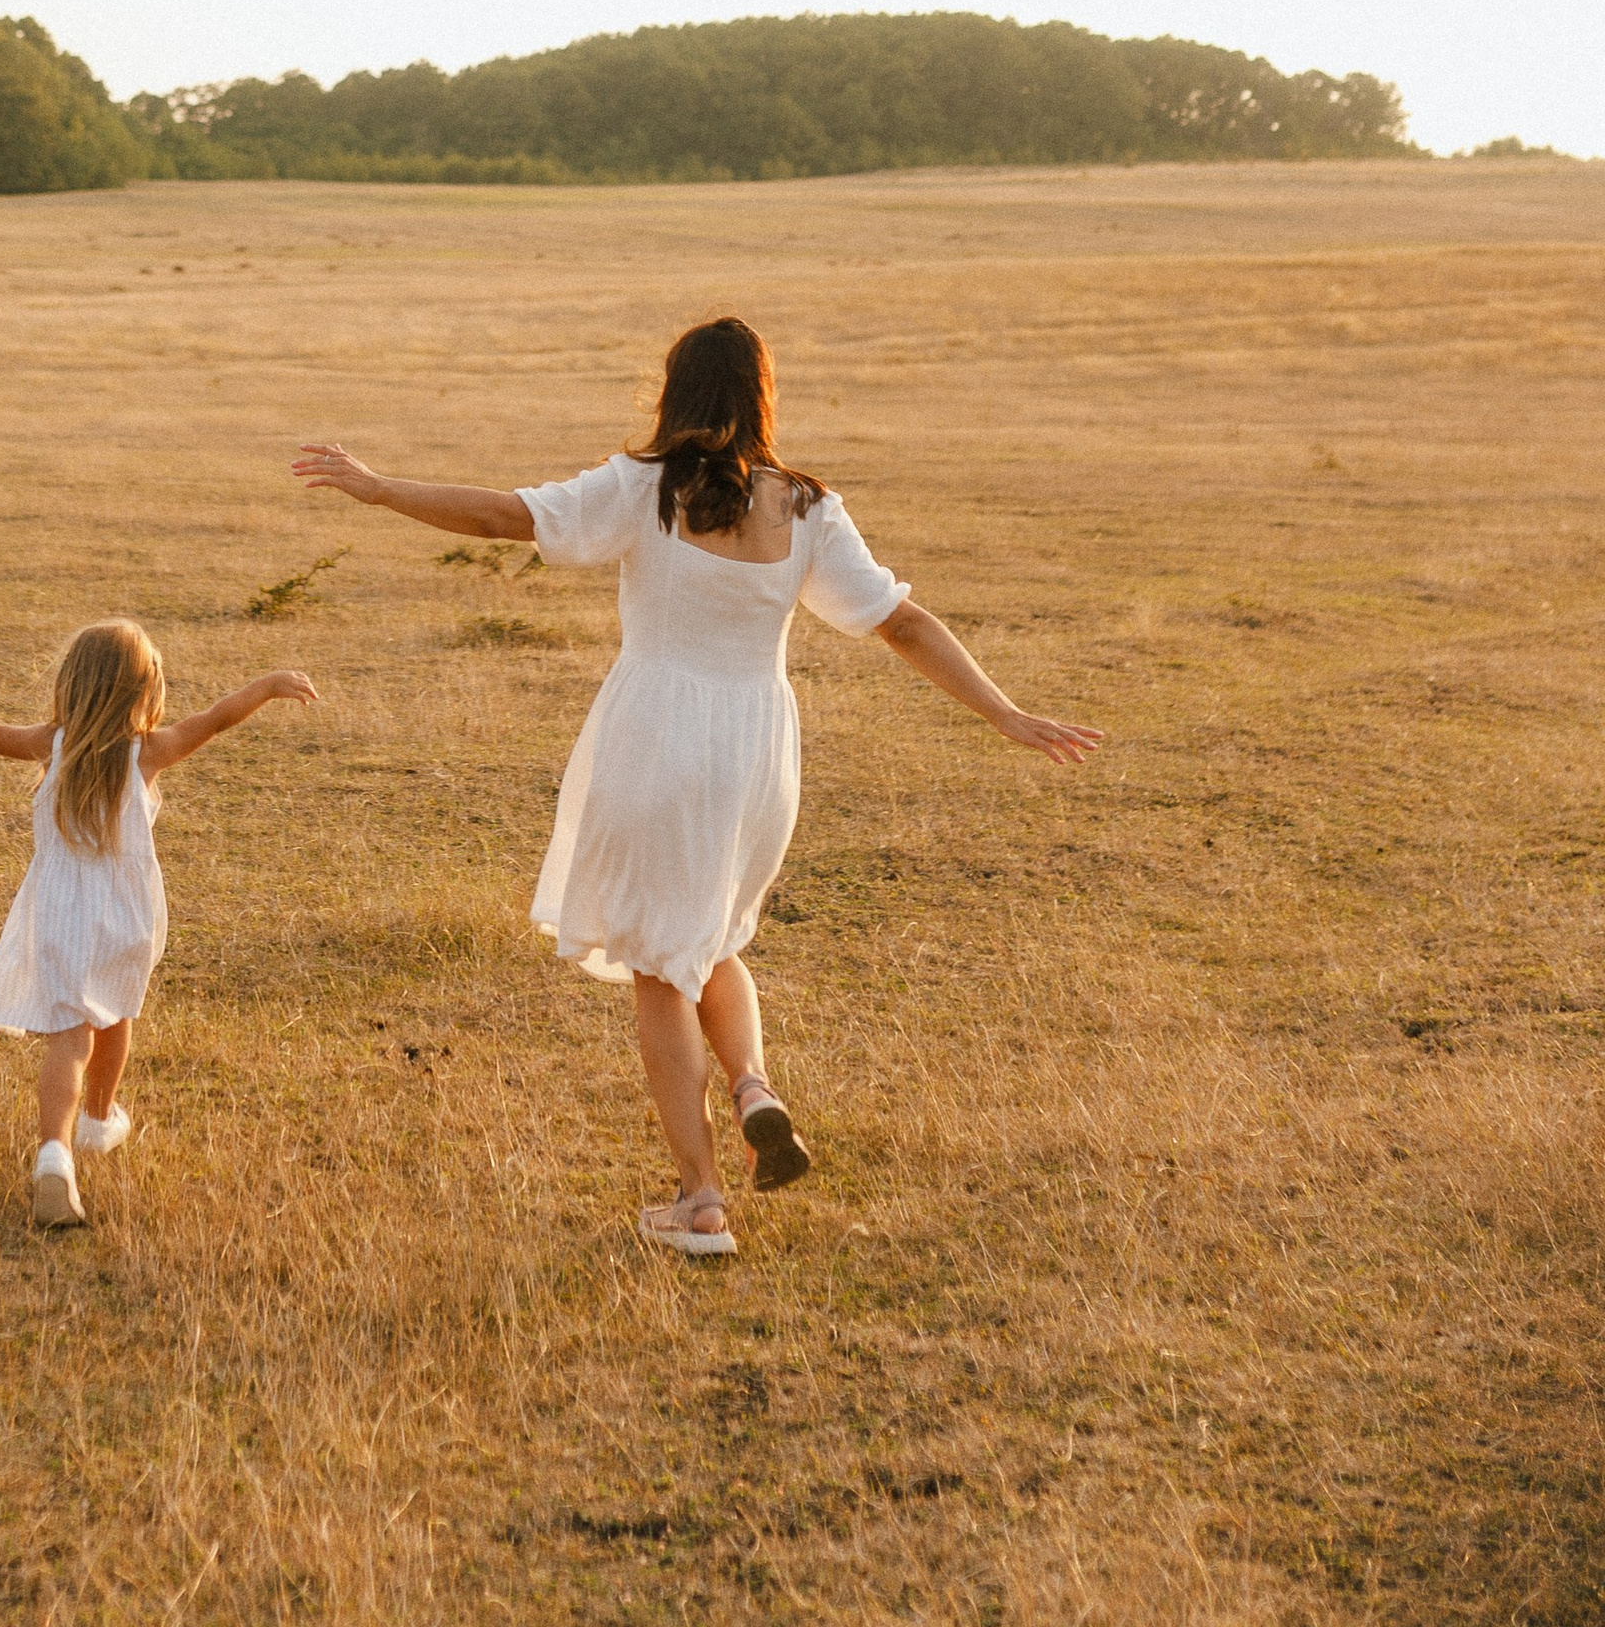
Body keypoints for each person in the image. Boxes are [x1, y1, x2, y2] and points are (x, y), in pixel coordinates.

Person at [294, 316, 1098, 1259]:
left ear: (674, 390)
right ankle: (753, 1082)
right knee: (713, 934)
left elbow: (503, 515)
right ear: (762, 395)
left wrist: (381, 487)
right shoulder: (805, 507)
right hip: (757, 752)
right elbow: (902, 622)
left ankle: (701, 1197)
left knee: (656, 964)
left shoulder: (646, 490)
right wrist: (1005, 712)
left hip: (658, 735)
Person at [0, 621, 318, 1229]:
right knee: (117, 1013)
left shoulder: (53, 743)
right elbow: (215, 719)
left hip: (57, 911)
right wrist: (268, 684)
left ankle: (54, 1153)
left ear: (73, 686)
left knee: (70, 1037)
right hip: (122, 917)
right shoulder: (148, 752)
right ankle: (98, 1121)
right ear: (144, 689)